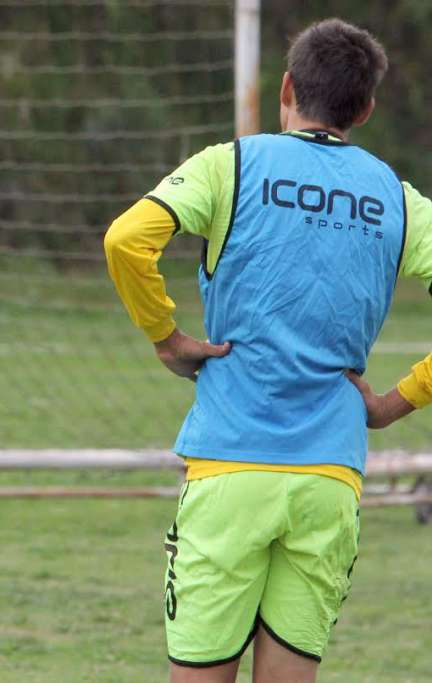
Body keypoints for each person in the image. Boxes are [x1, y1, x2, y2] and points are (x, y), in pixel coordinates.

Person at [104, 18, 432, 683]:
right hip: (331, 476)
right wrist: (398, 401)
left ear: (285, 87)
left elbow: (125, 239)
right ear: (365, 108)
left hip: (230, 463)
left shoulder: (230, 164)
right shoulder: (400, 201)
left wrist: (166, 337)